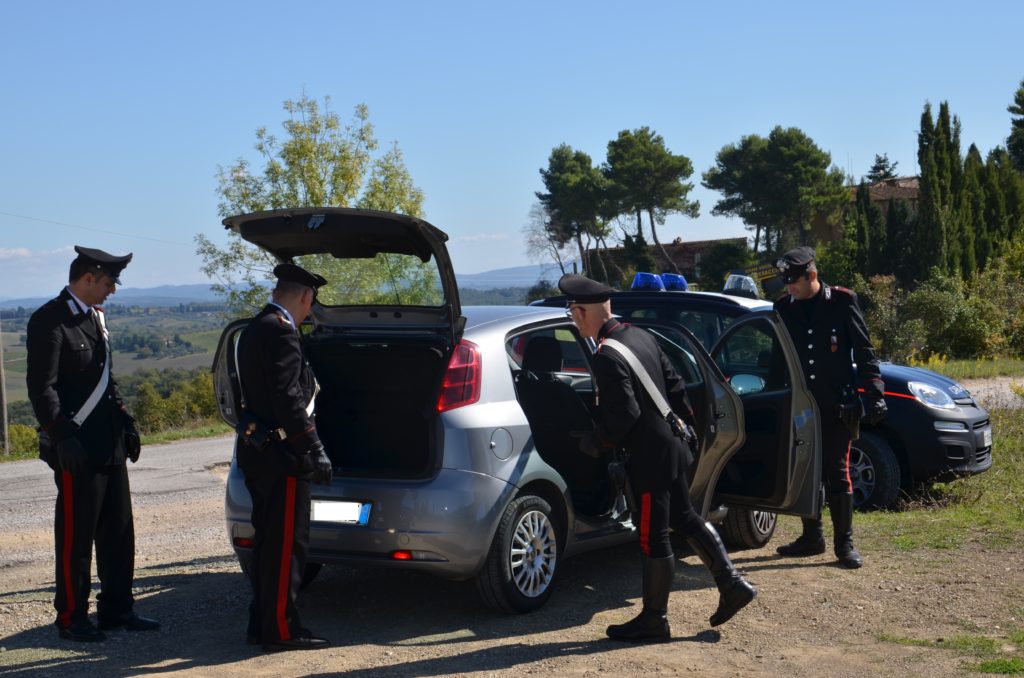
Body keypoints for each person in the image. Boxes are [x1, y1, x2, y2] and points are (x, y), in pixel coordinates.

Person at [559, 274, 756, 642]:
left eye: (574, 313)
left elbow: (626, 414)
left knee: (653, 537)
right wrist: (686, 429)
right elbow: (676, 385)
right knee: (686, 517)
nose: (574, 320)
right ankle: (733, 585)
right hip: (672, 446)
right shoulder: (640, 336)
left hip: (649, 458)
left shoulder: (606, 355)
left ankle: (654, 619)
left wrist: (596, 442)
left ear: (584, 312)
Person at [26, 246, 159, 642]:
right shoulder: (50, 319)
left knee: (119, 532)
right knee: (77, 537)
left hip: (108, 443)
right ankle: (71, 618)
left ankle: (117, 610)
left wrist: (125, 422)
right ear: (87, 279)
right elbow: (42, 388)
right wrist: (61, 436)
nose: (112, 290)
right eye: (108, 282)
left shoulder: (95, 317)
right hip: (77, 449)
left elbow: (104, 379)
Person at [235, 263, 333, 653]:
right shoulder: (281, 332)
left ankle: (260, 623)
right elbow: (288, 398)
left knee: (267, 542)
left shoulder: (254, 327)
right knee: (286, 547)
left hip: (260, 454)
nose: (310, 311)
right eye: (311, 303)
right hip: (283, 457)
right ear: (305, 297)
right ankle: (281, 630)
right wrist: (313, 448)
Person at [771, 246, 887, 569]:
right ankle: (812, 538)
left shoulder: (842, 302)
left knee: (837, 472)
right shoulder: (783, 308)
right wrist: (772, 398)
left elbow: (864, 351)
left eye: (794, 281)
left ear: (812, 275)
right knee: (805, 471)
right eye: (786, 282)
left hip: (838, 404)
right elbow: (777, 358)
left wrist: (875, 393)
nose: (789, 288)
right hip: (801, 405)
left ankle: (844, 544)